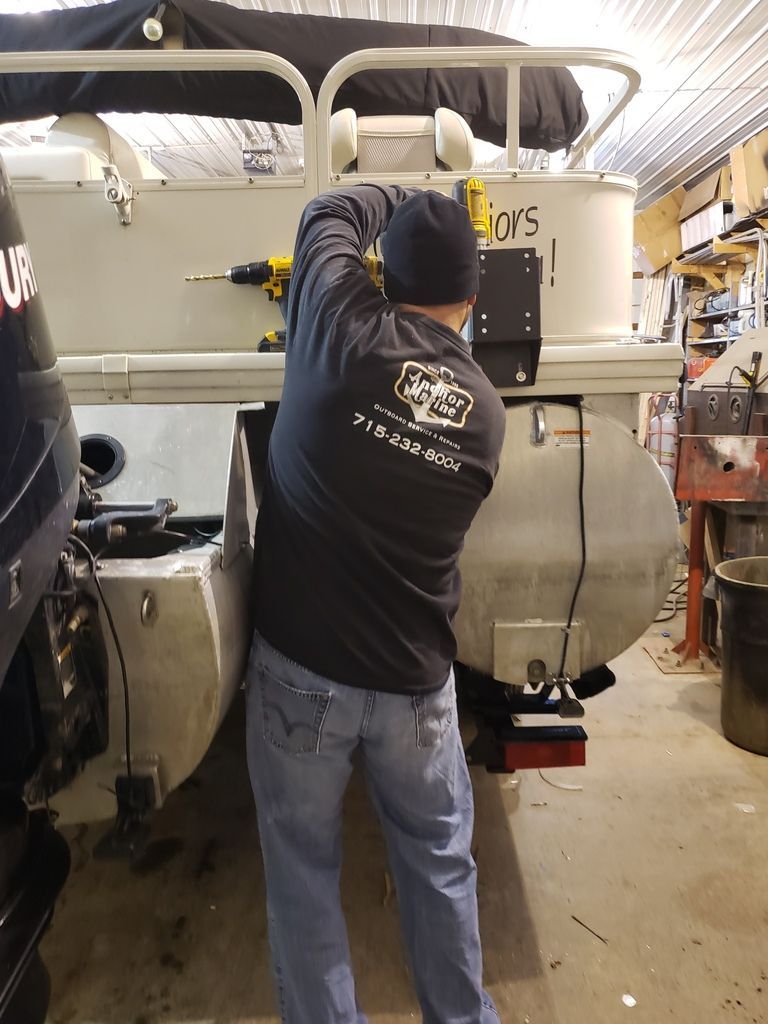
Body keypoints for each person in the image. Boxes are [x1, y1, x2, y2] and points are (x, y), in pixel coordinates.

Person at [246, 184, 506, 1024]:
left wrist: (398, 194)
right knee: (440, 862)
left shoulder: (337, 331)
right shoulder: (488, 419)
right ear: (472, 299)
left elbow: (325, 216)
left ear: (381, 279)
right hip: (416, 692)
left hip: (302, 677)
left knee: (304, 875)